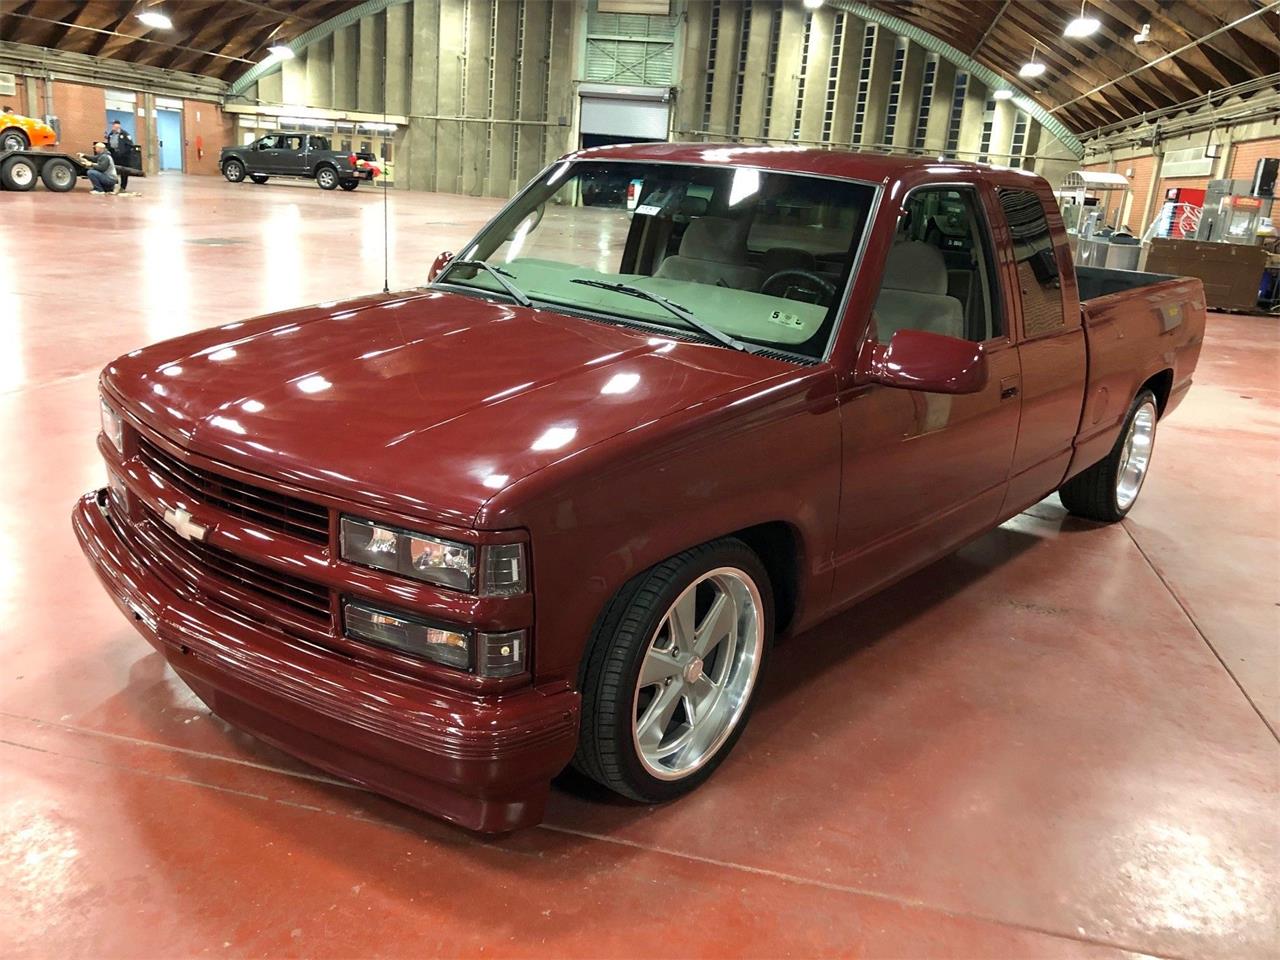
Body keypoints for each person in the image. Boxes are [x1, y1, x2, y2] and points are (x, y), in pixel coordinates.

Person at [104, 119, 134, 191]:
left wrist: (124, 152)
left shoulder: (125, 134)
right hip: (114, 155)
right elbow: (109, 144)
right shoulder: (111, 134)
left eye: (114, 125)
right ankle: (113, 186)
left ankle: (123, 187)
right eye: (112, 125)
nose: (113, 126)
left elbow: (130, 145)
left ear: (118, 125)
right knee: (113, 170)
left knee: (124, 172)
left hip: (124, 156)